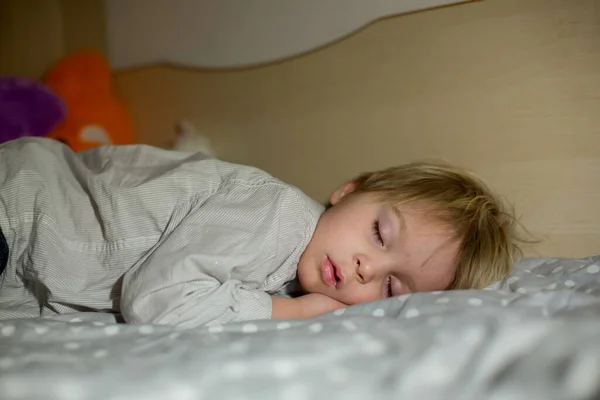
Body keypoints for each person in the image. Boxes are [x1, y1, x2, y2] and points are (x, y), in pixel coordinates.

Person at [0, 137, 521, 327]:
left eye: (390, 286)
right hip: (19, 207)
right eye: (381, 235)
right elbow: (156, 300)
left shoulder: (291, 263)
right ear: (349, 190)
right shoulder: (276, 217)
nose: (368, 268)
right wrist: (292, 311)